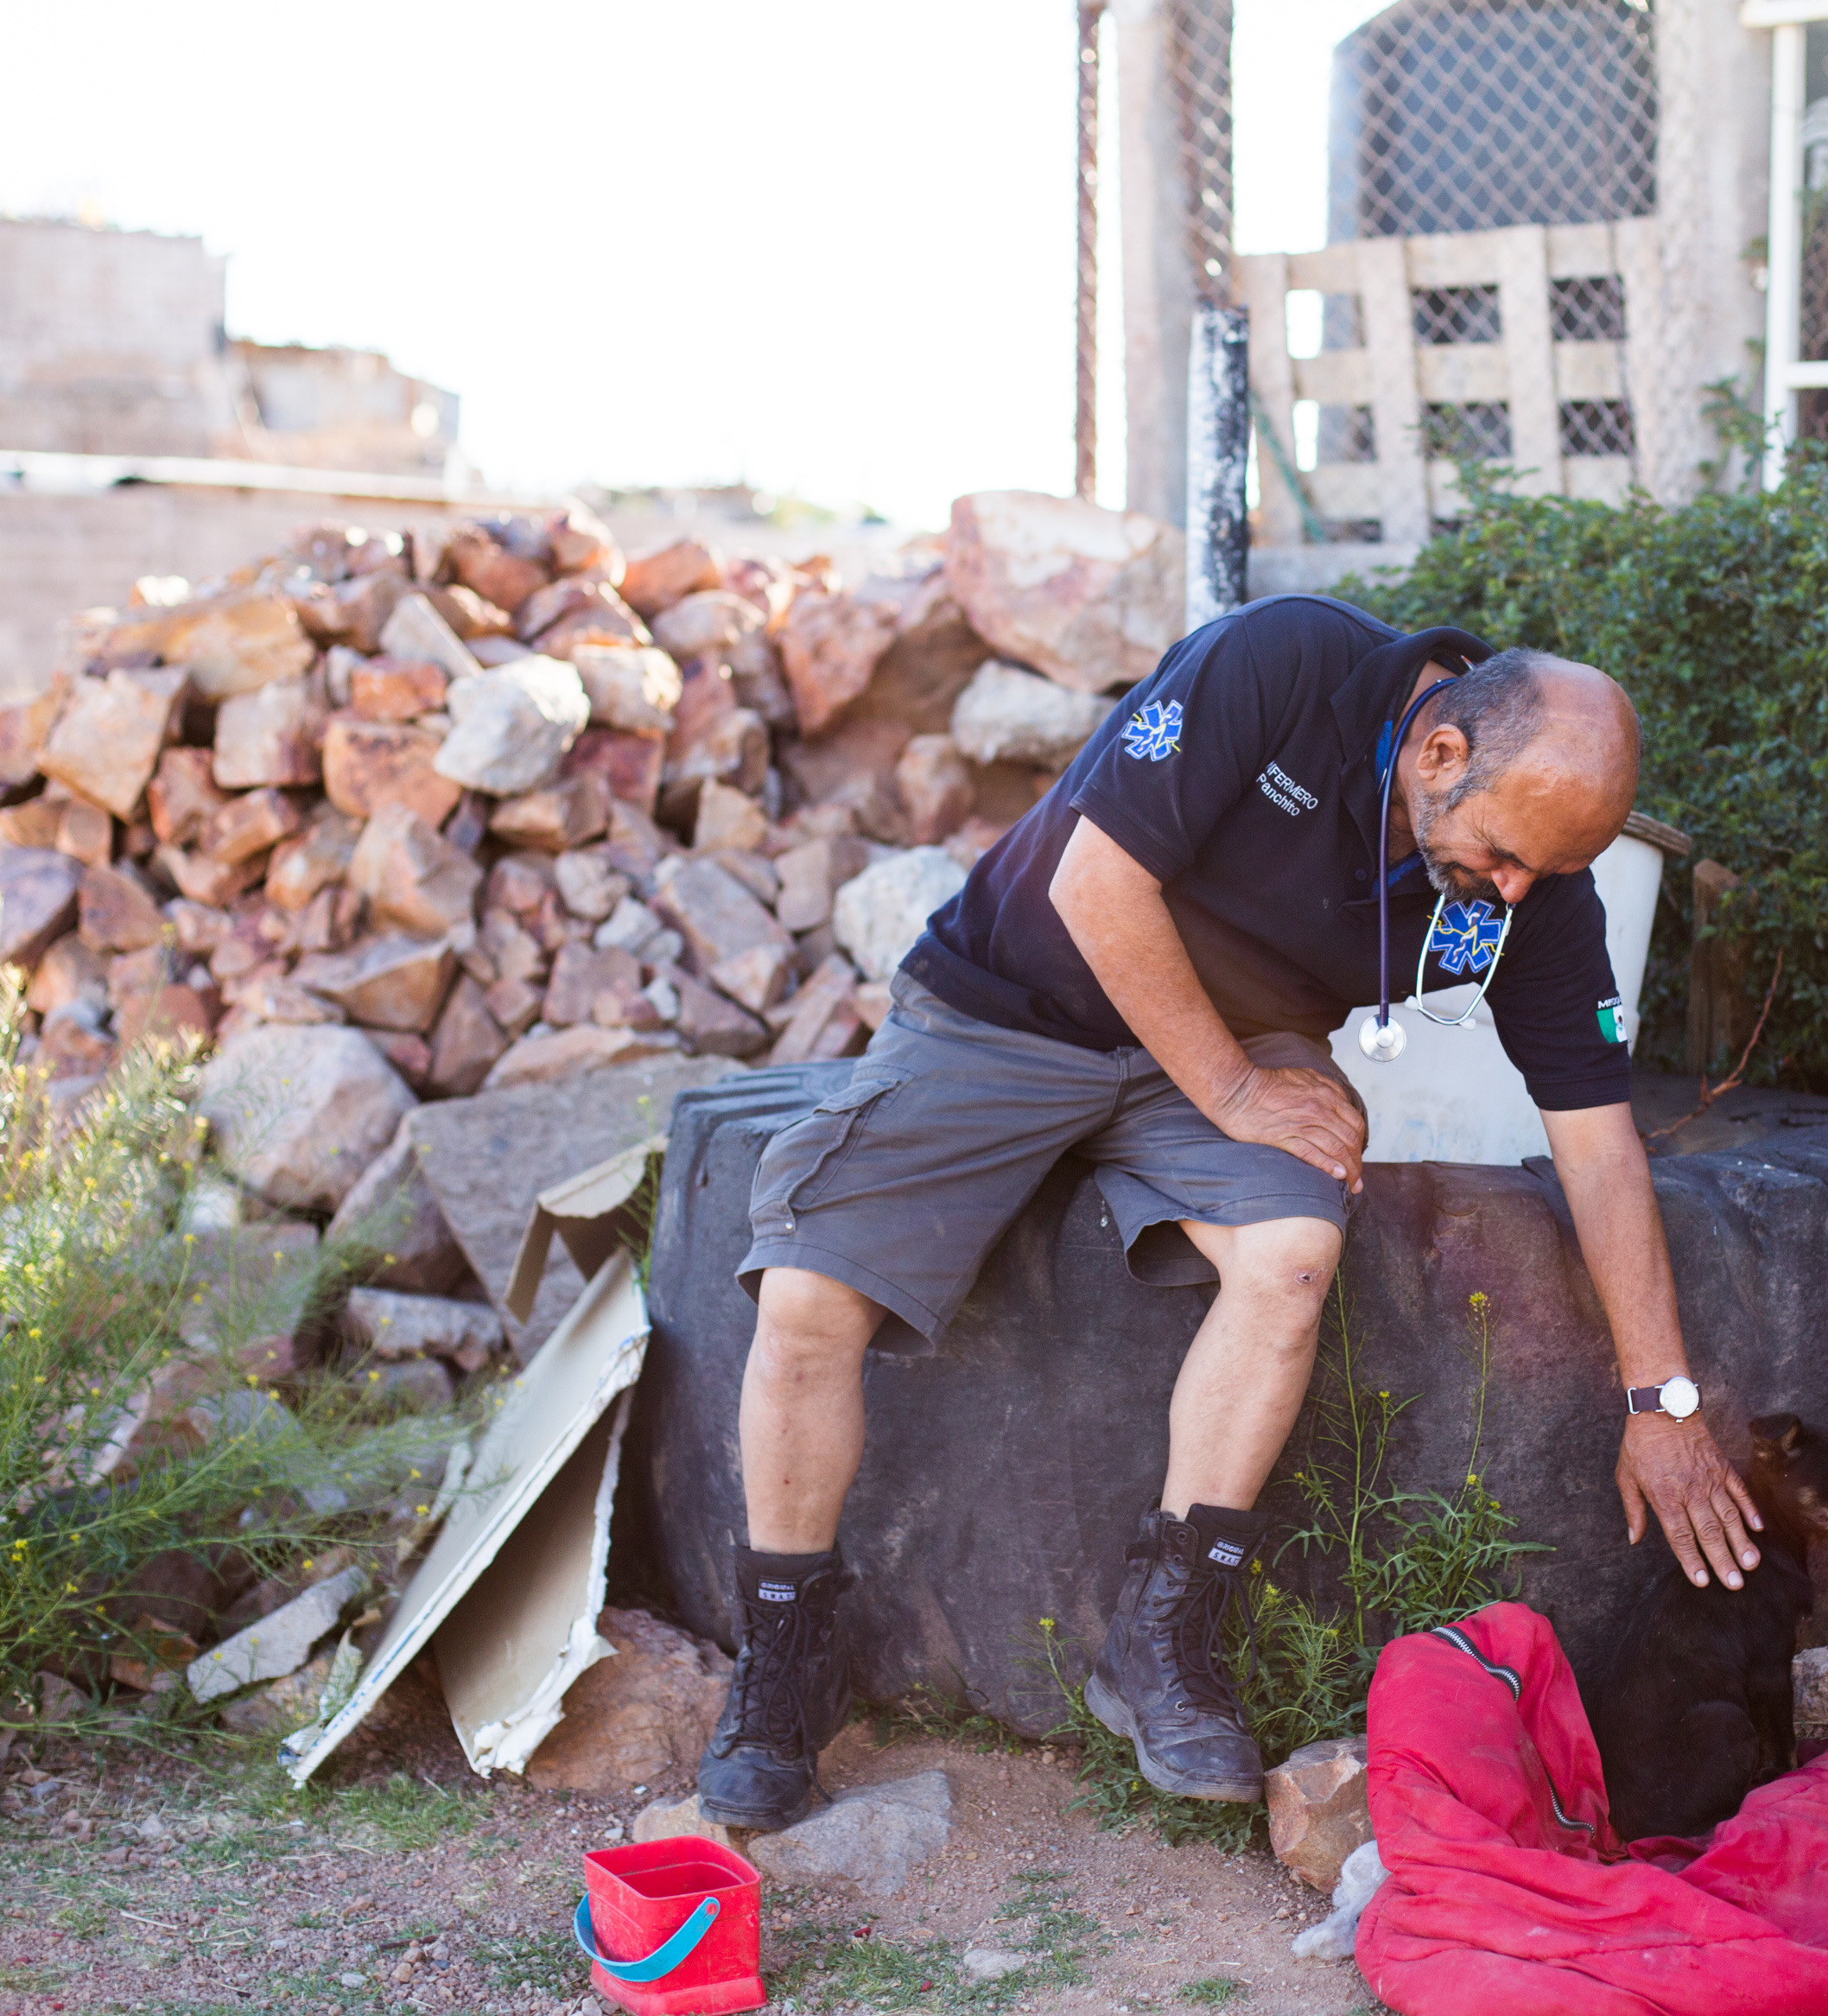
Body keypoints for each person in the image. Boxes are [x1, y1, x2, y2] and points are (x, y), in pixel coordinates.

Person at [695, 593, 1761, 1828]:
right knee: (811, 1283)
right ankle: (782, 1660)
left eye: (1545, 873)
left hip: (1228, 1050)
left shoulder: (1536, 889)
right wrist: (1242, 1089)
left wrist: (1660, 1400)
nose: (1514, 891)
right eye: (1504, 854)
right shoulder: (1284, 660)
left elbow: (1602, 1149)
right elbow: (1098, 890)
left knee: (1296, 1248)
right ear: (1441, 750)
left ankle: (1160, 1640)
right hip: (1014, 1005)